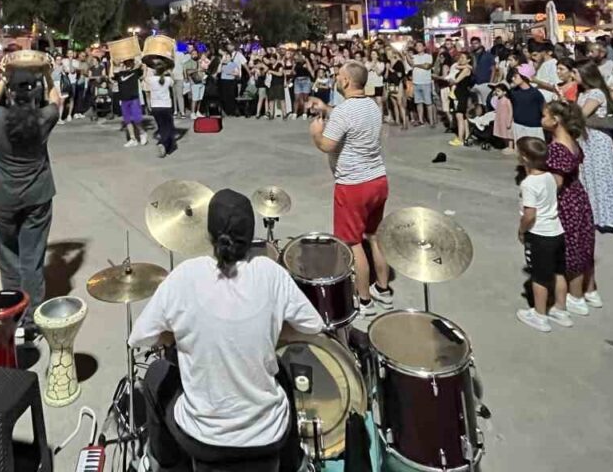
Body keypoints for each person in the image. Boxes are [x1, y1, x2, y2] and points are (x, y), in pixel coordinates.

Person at [129, 188, 324, 466]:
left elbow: (140, 337)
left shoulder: (185, 276)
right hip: (267, 436)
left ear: (208, 233)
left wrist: (177, 337)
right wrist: (272, 334)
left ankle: (165, 463)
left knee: (156, 374)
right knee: (280, 372)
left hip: (204, 440)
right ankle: (293, 462)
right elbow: (312, 327)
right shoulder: (271, 274)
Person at [307, 61, 393, 317]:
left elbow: (327, 145)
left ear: (346, 81)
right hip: (378, 179)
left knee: (353, 243)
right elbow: (350, 119)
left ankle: (364, 300)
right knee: (374, 236)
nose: (336, 78)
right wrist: (327, 109)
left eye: (338, 76)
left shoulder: (345, 112)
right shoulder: (372, 106)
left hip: (353, 184)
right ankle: (384, 290)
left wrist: (315, 132)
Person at [0, 59, 61, 339]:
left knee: (8, 259)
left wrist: (4, 78)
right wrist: (49, 76)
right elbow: (56, 100)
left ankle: (14, 315)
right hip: (37, 196)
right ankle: (32, 321)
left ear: (11, 94)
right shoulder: (43, 118)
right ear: (35, 92)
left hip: (2, 197)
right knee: (32, 259)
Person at [542, 100, 599, 315]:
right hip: (578, 197)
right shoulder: (572, 141)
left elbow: (555, 183)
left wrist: (540, 201)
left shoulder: (557, 148)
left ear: (555, 120)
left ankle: (575, 296)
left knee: (570, 247)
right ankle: (589, 290)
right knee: (583, 244)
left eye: (545, 115)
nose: (542, 119)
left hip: (565, 200)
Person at [515, 137, 571, 332]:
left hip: (540, 234)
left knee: (539, 276)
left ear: (524, 157)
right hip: (557, 231)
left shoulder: (528, 184)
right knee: (558, 272)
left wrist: (522, 230)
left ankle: (540, 315)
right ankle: (561, 309)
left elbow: (530, 214)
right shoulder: (550, 177)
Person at [574, 62, 613, 234]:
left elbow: (581, 114)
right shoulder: (584, 92)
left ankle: (608, 217)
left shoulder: (596, 93)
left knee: (601, 177)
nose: (574, 76)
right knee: (589, 176)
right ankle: (593, 215)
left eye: (576, 72)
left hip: (597, 141)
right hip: (586, 139)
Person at [147, 65, 178, 158]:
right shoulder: (167, 80)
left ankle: (164, 143)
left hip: (155, 106)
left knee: (161, 126)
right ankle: (164, 144)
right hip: (166, 105)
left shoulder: (151, 80)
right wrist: (170, 72)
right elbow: (174, 82)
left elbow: (144, 79)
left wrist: (145, 69)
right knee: (168, 126)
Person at [508, 66, 545, 142]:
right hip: (517, 126)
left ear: (524, 76)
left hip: (533, 128)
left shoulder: (535, 93)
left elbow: (543, 109)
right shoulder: (513, 92)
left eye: (515, 76)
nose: (513, 79)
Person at [115, 58, 146, 147]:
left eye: (129, 62)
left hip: (134, 99)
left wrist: (135, 62)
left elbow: (142, 66)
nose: (128, 64)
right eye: (126, 62)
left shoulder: (135, 72)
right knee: (127, 120)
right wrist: (112, 62)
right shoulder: (119, 73)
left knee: (137, 119)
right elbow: (110, 77)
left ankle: (142, 133)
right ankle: (133, 139)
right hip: (124, 99)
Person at [410, 40, 435, 126]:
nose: (418, 47)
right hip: (416, 82)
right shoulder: (414, 56)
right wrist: (406, 54)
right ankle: (421, 120)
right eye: (416, 46)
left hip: (426, 82)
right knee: (418, 102)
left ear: (424, 47)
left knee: (428, 103)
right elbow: (410, 64)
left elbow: (427, 66)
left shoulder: (428, 56)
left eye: (420, 45)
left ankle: (431, 121)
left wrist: (416, 65)